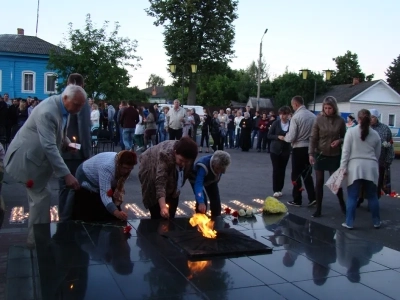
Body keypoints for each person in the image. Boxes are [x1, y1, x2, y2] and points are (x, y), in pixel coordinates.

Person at [4, 85, 86, 247]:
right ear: (65, 98)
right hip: (27, 161)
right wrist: (66, 174)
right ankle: (37, 242)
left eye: (82, 105)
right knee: (40, 197)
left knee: (40, 196)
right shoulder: (48, 111)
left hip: (35, 159)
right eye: (77, 104)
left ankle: (38, 238)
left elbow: (58, 133)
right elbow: (49, 146)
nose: (80, 108)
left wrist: (67, 143)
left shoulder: (63, 107)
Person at [340, 109, 381, 229]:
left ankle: (349, 222)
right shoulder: (375, 134)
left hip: (355, 167)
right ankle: (376, 221)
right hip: (371, 167)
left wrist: (343, 167)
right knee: (372, 196)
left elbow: (345, 152)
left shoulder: (351, 132)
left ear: (358, 119)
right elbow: (377, 154)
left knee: (352, 196)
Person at [68, 150, 137, 222]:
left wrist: (116, 209)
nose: (126, 171)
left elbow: (115, 187)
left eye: (130, 169)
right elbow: (105, 194)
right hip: (86, 178)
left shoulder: (121, 164)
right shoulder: (107, 168)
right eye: (125, 168)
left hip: (101, 175)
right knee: (93, 213)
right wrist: (116, 213)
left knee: (110, 211)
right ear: (119, 164)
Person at [138, 137, 198, 219]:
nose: (183, 164)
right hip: (150, 165)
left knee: (172, 198)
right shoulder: (165, 155)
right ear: (175, 152)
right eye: (181, 160)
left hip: (170, 167)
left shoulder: (191, 154)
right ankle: (156, 222)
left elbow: (185, 178)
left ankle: (170, 220)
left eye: (186, 162)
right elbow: (160, 182)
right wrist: (163, 207)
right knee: (156, 205)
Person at [59, 73, 91, 221]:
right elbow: (83, 127)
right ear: (81, 85)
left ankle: (62, 218)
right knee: (74, 187)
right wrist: (86, 151)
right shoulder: (80, 99)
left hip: (61, 149)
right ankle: (68, 220)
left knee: (63, 188)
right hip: (75, 151)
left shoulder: (61, 98)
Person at [309, 96, 346, 217]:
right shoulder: (318, 119)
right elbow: (313, 138)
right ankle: (318, 208)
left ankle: (342, 204)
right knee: (319, 181)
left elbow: (345, 137)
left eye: (330, 108)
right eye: (325, 108)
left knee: (335, 182)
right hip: (320, 153)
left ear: (334, 108)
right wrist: (311, 153)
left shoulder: (340, 121)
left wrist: (339, 141)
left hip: (334, 154)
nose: (327, 110)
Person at [279, 96, 316, 207]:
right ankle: (312, 197)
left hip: (298, 148)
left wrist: (284, 138)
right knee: (307, 174)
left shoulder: (296, 117)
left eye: (292, 105)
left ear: (295, 104)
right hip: (309, 148)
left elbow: (291, 137)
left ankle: (297, 199)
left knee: (295, 175)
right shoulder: (313, 116)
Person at [189, 151, 231, 217]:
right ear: (213, 163)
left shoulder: (221, 166)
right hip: (196, 178)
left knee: (216, 200)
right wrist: (201, 202)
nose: (218, 171)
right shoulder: (203, 166)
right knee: (203, 201)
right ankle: (200, 220)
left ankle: (216, 219)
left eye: (221, 170)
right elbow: (198, 185)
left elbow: (217, 178)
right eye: (217, 169)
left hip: (211, 179)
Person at [268, 106, 292, 197]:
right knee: (276, 169)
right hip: (275, 149)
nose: (282, 116)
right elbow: (269, 135)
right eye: (281, 114)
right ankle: (275, 189)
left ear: (288, 115)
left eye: (284, 114)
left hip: (285, 150)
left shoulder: (291, 124)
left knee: (282, 170)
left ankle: (280, 188)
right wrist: (278, 137)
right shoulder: (276, 123)